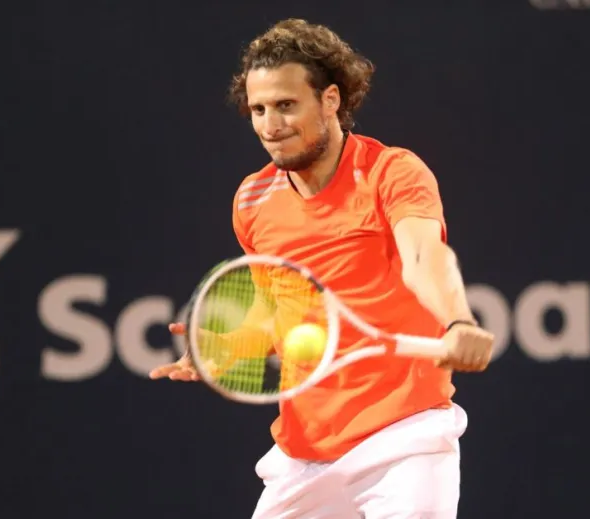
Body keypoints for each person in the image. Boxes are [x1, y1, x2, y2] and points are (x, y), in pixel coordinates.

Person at [149, 18, 494, 519]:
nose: (271, 125)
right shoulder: (251, 200)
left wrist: (458, 319)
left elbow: (425, 258)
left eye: (286, 105)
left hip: (405, 442)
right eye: (259, 110)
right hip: (303, 455)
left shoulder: (390, 171)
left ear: (330, 99)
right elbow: (280, 312)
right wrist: (228, 349)